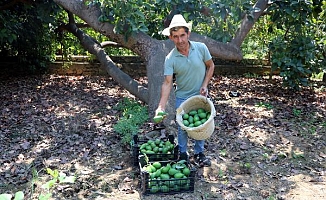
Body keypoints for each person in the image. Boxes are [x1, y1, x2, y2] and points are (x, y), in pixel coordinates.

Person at [155, 14, 215, 167]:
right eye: (175, 37)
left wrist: (205, 84)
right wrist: (161, 106)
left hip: (200, 95)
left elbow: (211, 65)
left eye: (182, 35)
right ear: (171, 38)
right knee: (182, 128)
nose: (180, 40)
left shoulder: (201, 48)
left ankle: (199, 154)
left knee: (200, 126)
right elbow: (167, 83)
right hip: (182, 97)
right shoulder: (170, 58)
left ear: (188, 34)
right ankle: (183, 154)